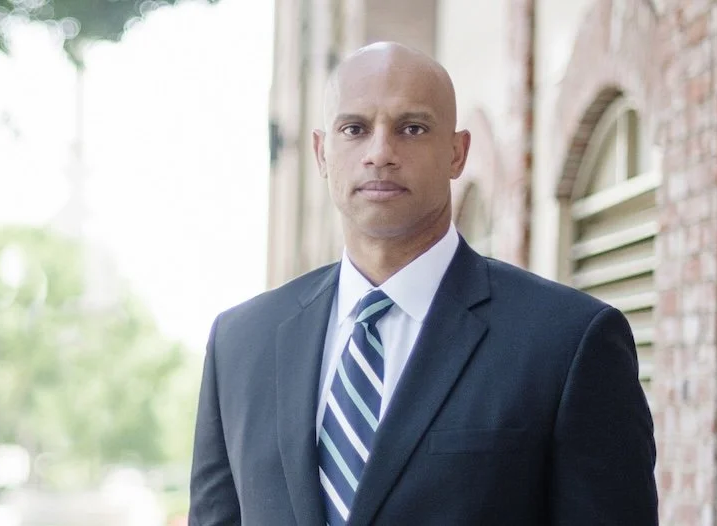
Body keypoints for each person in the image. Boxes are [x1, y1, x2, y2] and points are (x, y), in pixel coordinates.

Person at [189, 41, 658, 525]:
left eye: (411, 128)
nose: (380, 153)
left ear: (457, 153)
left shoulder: (568, 341)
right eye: (355, 129)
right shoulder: (240, 345)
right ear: (321, 152)